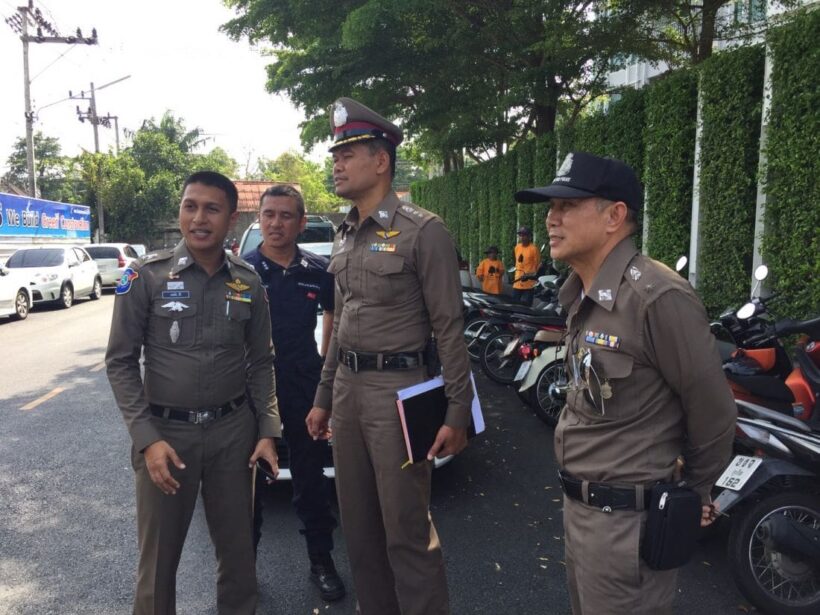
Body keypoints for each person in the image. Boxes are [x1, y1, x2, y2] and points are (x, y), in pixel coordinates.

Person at [515, 152, 735, 614]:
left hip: (629, 529)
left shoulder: (657, 297)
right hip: (583, 515)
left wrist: (693, 494)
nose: (551, 218)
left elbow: (713, 410)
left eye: (568, 206)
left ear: (615, 216)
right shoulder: (582, 295)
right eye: (550, 207)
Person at [305, 97, 472, 615]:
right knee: (359, 531)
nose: (336, 161)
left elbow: (449, 328)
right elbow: (343, 325)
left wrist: (457, 411)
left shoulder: (424, 231)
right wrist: (323, 397)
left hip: (399, 394)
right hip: (349, 391)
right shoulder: (345, 233)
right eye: (336, 152)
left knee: (406, 532)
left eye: (348, 151)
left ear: (381, 161)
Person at [106, 171, 281, 615]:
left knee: (238, 556)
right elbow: (121, 362)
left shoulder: (249, 281)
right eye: (190, 206)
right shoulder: (144, 277)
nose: (198, 218)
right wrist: (147, 439)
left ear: (232, 219)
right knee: (158, 564)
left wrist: (267, 430)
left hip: (232, 435)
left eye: (211, 208)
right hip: (166, 437)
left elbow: (261, 362)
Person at [243, 184, 346, 601]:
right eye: (269, 214)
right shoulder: (242, 271)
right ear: (259, 219)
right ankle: (241, 569)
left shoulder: (318, 270)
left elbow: (333, 323)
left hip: (304, 384)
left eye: (286, 215)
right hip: (252, 387)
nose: (276, 223)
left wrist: (328, 382)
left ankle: (321, 560)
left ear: (302, 223)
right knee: (248, 483)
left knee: (310, 477)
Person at [512, 226, 539, 306]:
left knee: (526, 307)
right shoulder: (517, 247)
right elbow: (516, 262)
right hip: (517, 281)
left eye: (524, 235)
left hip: (529, 283)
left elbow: (537, 266)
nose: (522, 237)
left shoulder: (534, 249)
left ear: (529, 236)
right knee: (514, 306)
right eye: (520, 235)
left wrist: (530, 275)